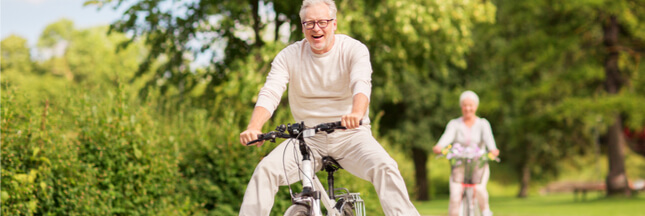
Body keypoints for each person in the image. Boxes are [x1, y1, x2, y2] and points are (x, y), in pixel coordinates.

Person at [238, 0, 420, 215]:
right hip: (307, 139)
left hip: (350, 136)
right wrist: (254, 126)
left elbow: (361, 83)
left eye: (322, 22)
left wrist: (356, 113)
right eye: (309, 23)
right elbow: (271, 91)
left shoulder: (353, 49)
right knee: (265, 171)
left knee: (385, 167)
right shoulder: (288, 56)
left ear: (334, 24)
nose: (316, 28)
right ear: (302, 26)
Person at [432, 90, 500, 216]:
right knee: (455, 194)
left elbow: (489, 140)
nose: (468, 108)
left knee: (479, 189)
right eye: (465, 105)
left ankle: (485, 211)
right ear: (461, 106)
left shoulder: (483, 124)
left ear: (476, 106)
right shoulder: (454, 124)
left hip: (478, 164)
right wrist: (439, 146)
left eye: (471, 105)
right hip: (459, 166)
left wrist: (493, 150)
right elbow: (447, 137)